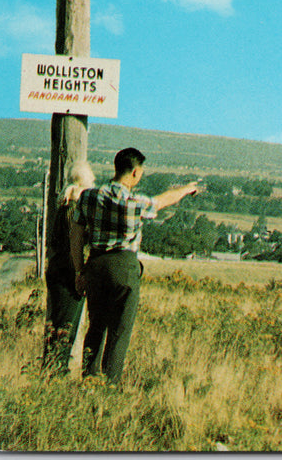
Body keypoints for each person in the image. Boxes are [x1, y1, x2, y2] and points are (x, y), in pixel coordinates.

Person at [71, 147, 199, 384]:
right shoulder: (134, 202)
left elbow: (76, 236)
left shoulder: (87, 196)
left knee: (95, 325)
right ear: (135, 172)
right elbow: (163, 200)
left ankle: (88, 380)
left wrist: (80, 271)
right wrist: (186, 189)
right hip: (124, 267)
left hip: (95, 265)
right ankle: (111, 386)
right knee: (120, 331)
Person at [42, 160, 96, 375]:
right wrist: (80, 272)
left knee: (56, 325)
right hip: (70, 273)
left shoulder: (64, 203)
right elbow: (78, 245)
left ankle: (51, 371)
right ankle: (55, 374)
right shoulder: (77, 208)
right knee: (66, 327)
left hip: (56, 269)